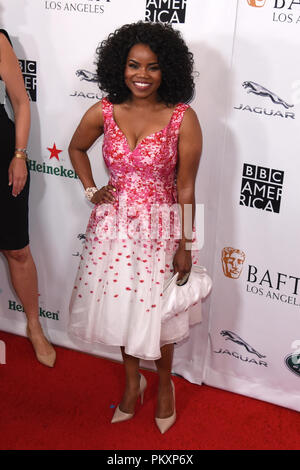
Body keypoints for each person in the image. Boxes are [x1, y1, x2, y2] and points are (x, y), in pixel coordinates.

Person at [68, 21, 202, 433]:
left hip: (160, 230)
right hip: (113, 229)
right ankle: (132, 382)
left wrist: (186, 244)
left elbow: (185, 187)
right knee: (124, 312)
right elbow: (75, 148)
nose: (141, 75)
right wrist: (92, 190)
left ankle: (164, 386)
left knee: (157, 317)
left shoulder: (183, 118)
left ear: (169, 71)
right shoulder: (103, 112)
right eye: (133, 65)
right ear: (119, 67)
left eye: (153, 67)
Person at [0, 29, 56, 367]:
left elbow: (20, 102)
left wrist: (19, 155)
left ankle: (34, 325)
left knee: (17, 248)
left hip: (1, 152)